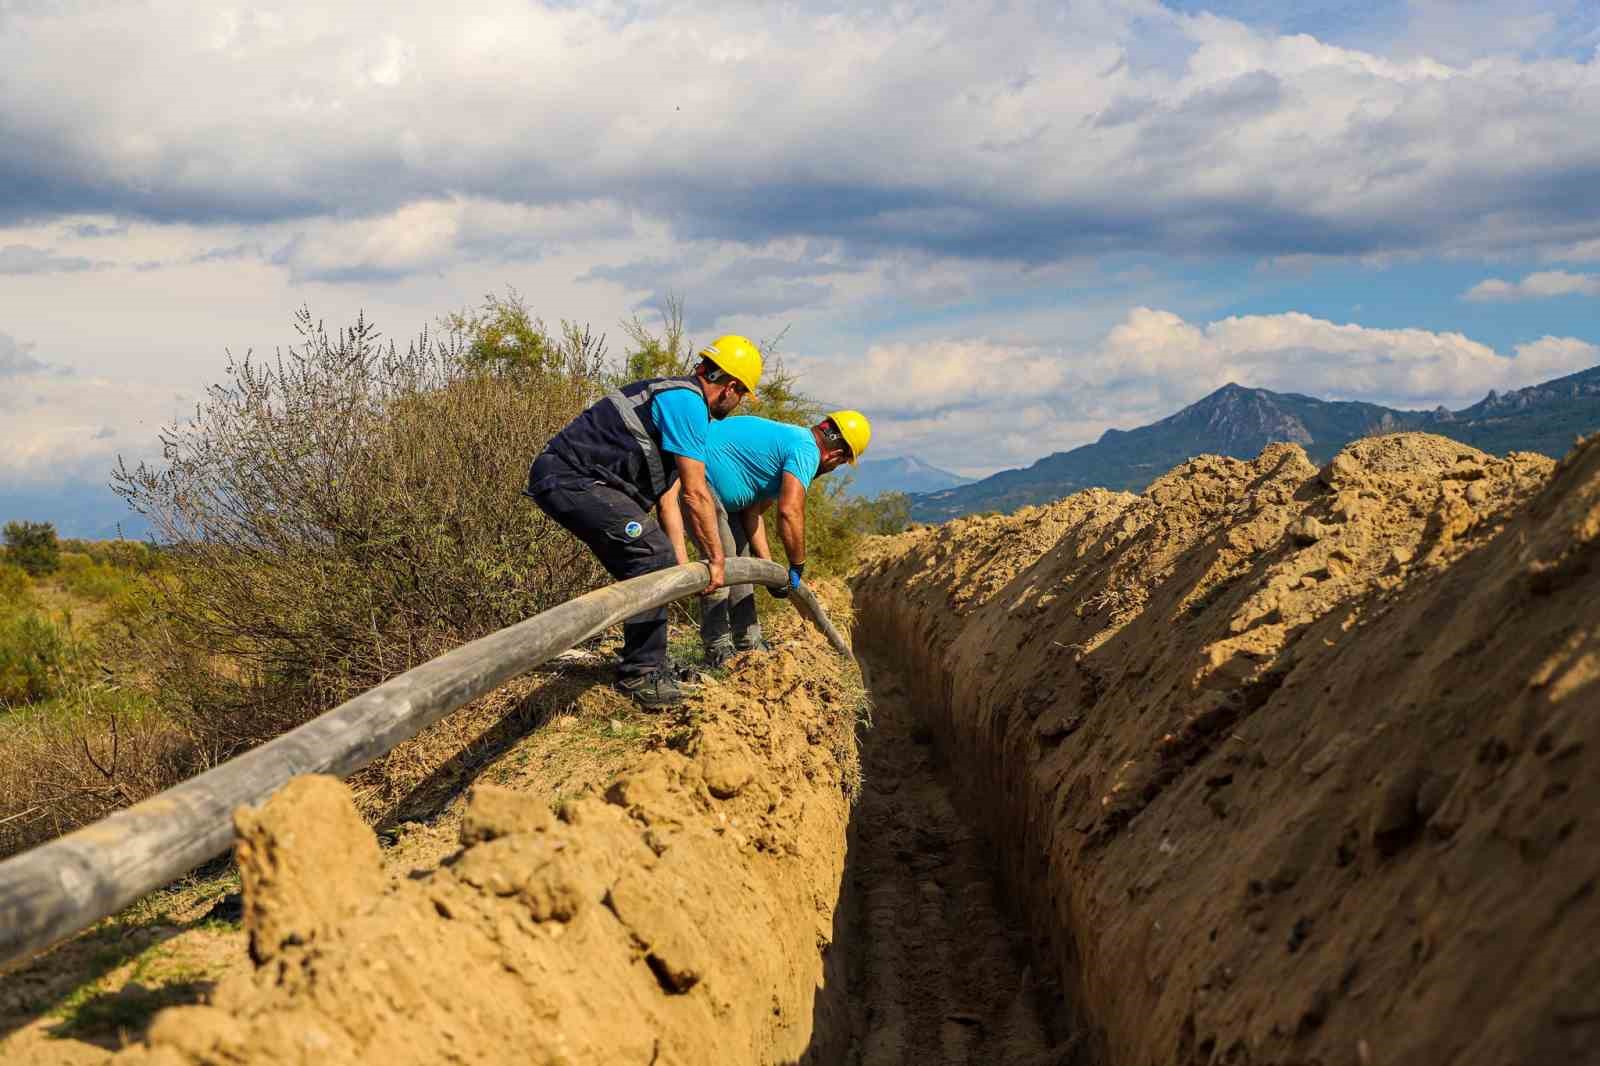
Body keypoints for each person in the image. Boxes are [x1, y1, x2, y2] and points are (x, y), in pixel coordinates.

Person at [525, 336, 763, 707]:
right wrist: (716, 560)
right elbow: (696, 494)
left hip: (579, 482)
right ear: (731, 387)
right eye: (742, 395)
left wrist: (679, 568)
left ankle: (649, 661)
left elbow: (668, 500)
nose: (738, 403)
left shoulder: (677, 401)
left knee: (652, 560)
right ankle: (641, 673)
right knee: (651, 557)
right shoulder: (686, 403)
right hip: (571, 479)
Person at [661, 410, 871, 666]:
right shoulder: (806, 450)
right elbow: (790, 511)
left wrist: (770, 571)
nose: (832, 468)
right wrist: (797, 564)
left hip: (728, 502)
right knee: (723, 565)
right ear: (836, 455)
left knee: (744, 567)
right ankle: (717, 649)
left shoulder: (790, 442)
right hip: (701, 485)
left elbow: (752, 515)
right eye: (838, 464)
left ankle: (748, 642)